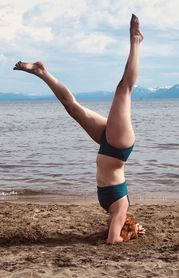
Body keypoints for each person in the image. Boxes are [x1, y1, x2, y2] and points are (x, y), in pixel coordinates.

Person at [14, 14, 145, 244]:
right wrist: (131, 233)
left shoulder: (117, 212)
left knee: (72, 109)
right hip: (118, 145)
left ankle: (41, 71)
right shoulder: (121, 207)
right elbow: (113, 241)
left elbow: (112, 236)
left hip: (108, 146)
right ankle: (136, 40)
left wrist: (132, 231)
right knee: (124, 88)